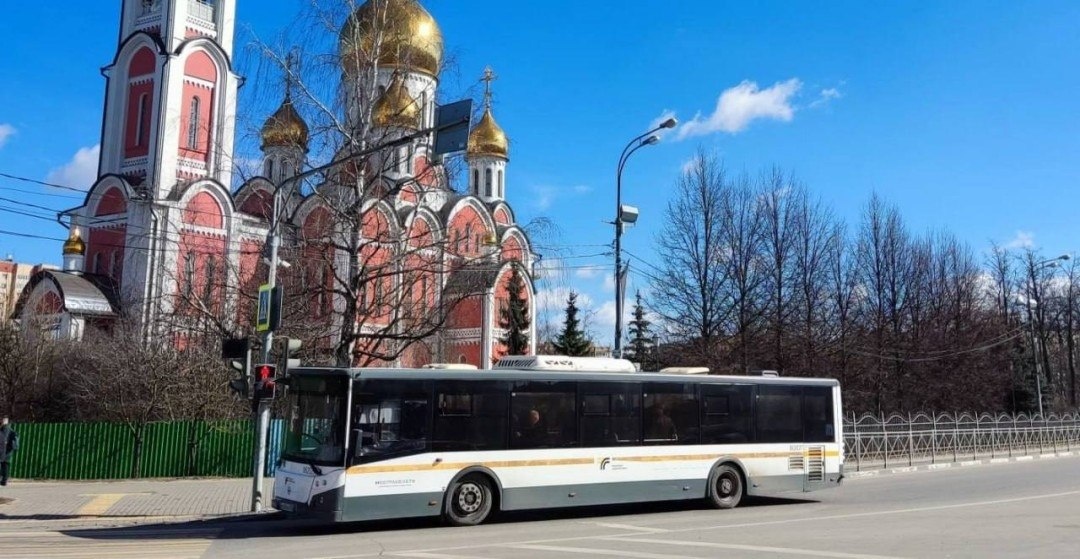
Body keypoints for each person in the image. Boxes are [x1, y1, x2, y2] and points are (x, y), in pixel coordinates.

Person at [0, 417, 17, 486]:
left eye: (2, 420)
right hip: (5, 450)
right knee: (4, 465)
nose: (1, 421)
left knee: (4, 464)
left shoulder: (7, 429)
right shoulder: (7, 429)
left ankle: (4, 480)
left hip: (5, 451)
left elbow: (12, 441)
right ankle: (4, 480)